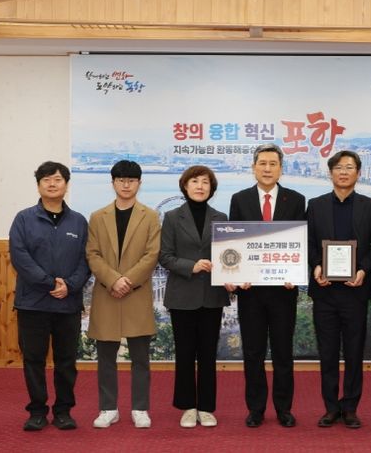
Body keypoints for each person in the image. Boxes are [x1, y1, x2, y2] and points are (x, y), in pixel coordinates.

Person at [226, 143, 306, 428]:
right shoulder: (240, 199)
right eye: (263, 163)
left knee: (283, 352)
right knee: (253, 352)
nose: (268, 168)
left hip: (284, 290)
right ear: (253, 167)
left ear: (281, 168)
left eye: (273, 164)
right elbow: (234, 241)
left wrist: (296, 272)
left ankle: (284, 408)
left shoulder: (296, 199)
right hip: (251, 291)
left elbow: (300, 242)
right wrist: (236, 274)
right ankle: (256, 409)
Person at [9, 161, 90, 431]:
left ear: (66, 185)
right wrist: (49, 283)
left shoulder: (79, 221)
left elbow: (86, 260)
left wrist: (70, 285)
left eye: (57, 179)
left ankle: (64, 411)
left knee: (66, 361)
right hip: (33, 303)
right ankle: (37, 411)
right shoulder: (23, 219)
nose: (52, 184)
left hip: (68, 303)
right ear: (38, 185)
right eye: (46, 179)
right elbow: (20, 257)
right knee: (34, 360)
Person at [86, 160, 160, 429]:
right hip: (107, 293)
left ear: (139, 183)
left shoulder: (150, 216)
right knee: (106, 356)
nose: (126, 185)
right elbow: (92, 253)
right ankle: (108, 408)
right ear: (113, 183)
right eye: (121, 180)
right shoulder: (98, 216)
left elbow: (152, 254)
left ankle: (140, 408)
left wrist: (127, 281)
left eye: (131, 180)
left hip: (136, 293)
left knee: (140, 357)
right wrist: (113, 280)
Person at [307, 150, 371, 429]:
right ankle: (330, 407)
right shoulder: (315, 205)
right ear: (330, 173)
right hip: (324, 291)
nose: (344, 172)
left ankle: (350, 407)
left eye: (349, 167)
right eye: (338, 167)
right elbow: (309, 242)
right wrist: (316, 266)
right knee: (327, 353)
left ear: (358, 173)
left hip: (355, 291)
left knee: (354, 352)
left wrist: (363, 270)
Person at [159, 166, 230, 428]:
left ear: (212, 188)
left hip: (212, 295)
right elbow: (165, 256)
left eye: (205, 182)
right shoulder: (171, 217)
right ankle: (188, 406)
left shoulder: (221, 218)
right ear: (185, 186)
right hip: (182, 295)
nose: (200, 186)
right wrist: (193, 266)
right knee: (185, 354)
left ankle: (207, 407)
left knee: (209, 354)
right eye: (195, 181)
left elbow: (229, 255)